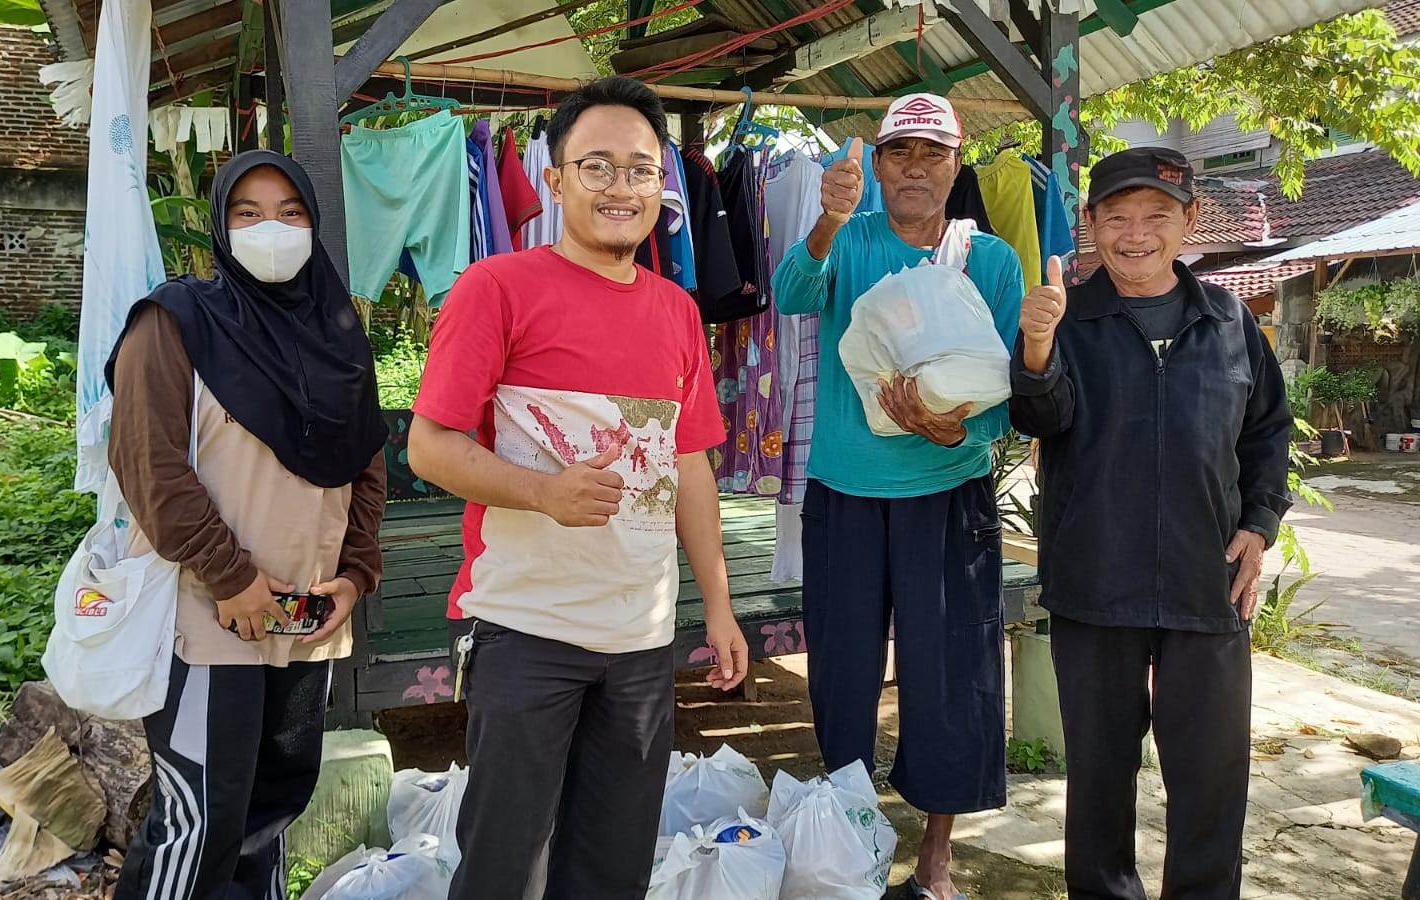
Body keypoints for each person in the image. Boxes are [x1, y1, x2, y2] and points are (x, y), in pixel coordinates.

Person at [406, 76, 749, 900]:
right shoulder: (497, 288)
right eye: (596, 167)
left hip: (640, 639)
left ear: (661, 187)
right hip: (528, 630)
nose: (620, 187)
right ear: (555, 181)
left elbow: (691, 465)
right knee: (502, 862)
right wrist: (541, 493)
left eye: (638, 169)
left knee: (612, 866)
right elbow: (428, 444)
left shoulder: (675, 312)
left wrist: (721, 606)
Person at [104, 150, 388, 900]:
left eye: (292, 213)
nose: (272, 229)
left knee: (273, 809)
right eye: (248, 213)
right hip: (210, 615)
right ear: (220, 226)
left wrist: (357, 573)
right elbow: (148, 462)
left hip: (307, 615)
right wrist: (230, 576)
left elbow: (366, 457)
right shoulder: (175, 323)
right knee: (202, 819)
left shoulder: (336, 330)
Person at [1009, 146, 1291, 899]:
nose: (1136, 234)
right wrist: (1037, 348)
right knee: (1099, 779)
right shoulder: (1067, 318)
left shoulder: (1230, 321)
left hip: (1209, 583)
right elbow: (1041, 415)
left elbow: (1268, 433)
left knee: (1212, 777)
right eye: (1118, 217)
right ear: (1092, 224)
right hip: (1095, 581)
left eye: (1157, 216)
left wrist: (1259, 525)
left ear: (1189, 221)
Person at [772, 92, 1023, 900]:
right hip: (844, 491)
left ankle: (938, 853)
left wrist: (963, 437)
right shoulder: (851, 239)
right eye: (899, 154)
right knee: (841, 671)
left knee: (950, 672)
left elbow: (1009, 394)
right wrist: (826, 221)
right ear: (876, 166)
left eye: (932, 155)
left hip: (949, 496)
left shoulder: (990, 261)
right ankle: (851, 837)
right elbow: (791, 293)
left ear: (956, 166)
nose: (914, 169)